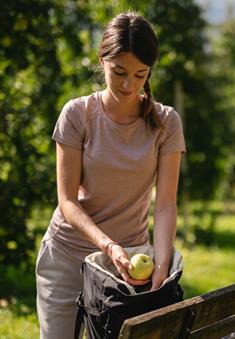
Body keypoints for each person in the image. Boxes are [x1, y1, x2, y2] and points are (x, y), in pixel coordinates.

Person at [35, 12, 185, 339]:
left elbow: (165, 205)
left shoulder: (166, 122)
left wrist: (160, 265)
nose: (128, 85)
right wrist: (107, 245)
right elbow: (68, 201)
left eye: (140, 74)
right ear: (102, 60)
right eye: (119, 72)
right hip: (67, 255)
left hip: (129, 266)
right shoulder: (77, 114)